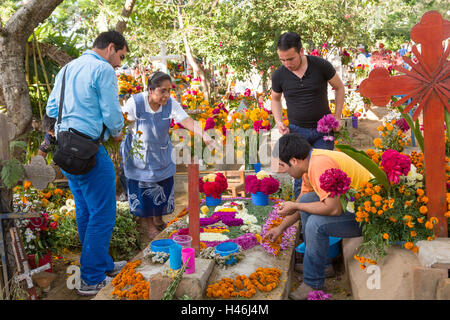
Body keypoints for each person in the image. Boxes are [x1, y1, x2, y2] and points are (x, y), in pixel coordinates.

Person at [46, 30, 128, 296]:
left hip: (66, 149)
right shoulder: (102, 69)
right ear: (111, 48)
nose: (119, 63)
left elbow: (50, 108)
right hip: (89, 149)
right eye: (120, 57)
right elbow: (112, 112)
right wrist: (117, 130)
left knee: (85, 210)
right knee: (103, 213)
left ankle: (101, 264)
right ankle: (91, 278)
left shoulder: (68, 68)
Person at [266, 133, 372, 300]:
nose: (283, 171)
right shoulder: (310, 163)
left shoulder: (320, 164)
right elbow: (302, 202)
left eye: (282, 166)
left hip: (369, 217)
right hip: (353, 206)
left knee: (316, 224)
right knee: (308, 200)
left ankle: (312, 283)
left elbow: (333, 210)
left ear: (294, 161)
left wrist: (296, 206)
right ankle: (320, 266)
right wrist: (280, 227)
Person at [121, 71, 215, 240]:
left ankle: (159, 219)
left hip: (161, 152)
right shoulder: (135, 103)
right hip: (139, 154)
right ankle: (149, 226)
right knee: (145, 189)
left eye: (168, 90)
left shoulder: (170, 103)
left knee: (162, 185)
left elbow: (187, 121)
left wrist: (205, 136)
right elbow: (122, 124)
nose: (166, 95)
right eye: (161, 91)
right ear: (150, 90)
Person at [271, 32, 346, 200]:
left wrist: (337, 117)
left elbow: (339, 88)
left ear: (301, 51)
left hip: (323, 131)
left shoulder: (321, 65)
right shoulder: (279, 75)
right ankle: (302, 219)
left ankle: (325, 210)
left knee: (323, 174)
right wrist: (279, 121)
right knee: (300, 178)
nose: (286, 64)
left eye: (290, 59)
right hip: (297, 132)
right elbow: (275, 99)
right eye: (282, 60)